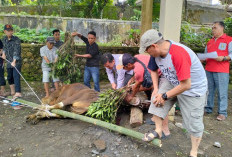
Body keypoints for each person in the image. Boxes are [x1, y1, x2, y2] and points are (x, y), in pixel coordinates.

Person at [140, 29, 207, 157]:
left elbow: (186, 85)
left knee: (193, 122)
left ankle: (194, 151)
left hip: (193, 88)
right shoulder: (156, 54)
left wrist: (165, 95)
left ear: (154, 46)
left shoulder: (177, 54)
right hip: (173, 79)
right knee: (156, 100)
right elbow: (153, 70)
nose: (147, 53)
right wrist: (156, 89)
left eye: (147, 50)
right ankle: (159, 130)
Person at [203, 21, 232, 121]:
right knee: (208, 91)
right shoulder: (210, 41)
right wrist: (202, 58)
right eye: (212, 28)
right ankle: (208, 108)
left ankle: (222, 112)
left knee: (222, 92)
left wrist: (223, 58)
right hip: (209, 69)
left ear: (222, 28)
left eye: (215, 28)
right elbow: (206, 54)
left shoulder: (229, 40)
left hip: (222, 70)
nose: (213, 30)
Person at [2, 24, 22, 99]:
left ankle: (18, 92)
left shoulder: (16, 39)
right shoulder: (3, 39)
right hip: (9, 62)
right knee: (10, 77)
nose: (10, 32)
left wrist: (14, 61)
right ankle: (13, 92)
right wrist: (3, 54)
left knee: (16, 76)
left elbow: (17, 51)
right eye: (8, 31)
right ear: (5, 31)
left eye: (11, 30)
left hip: (16, 61)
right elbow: (3, 48)